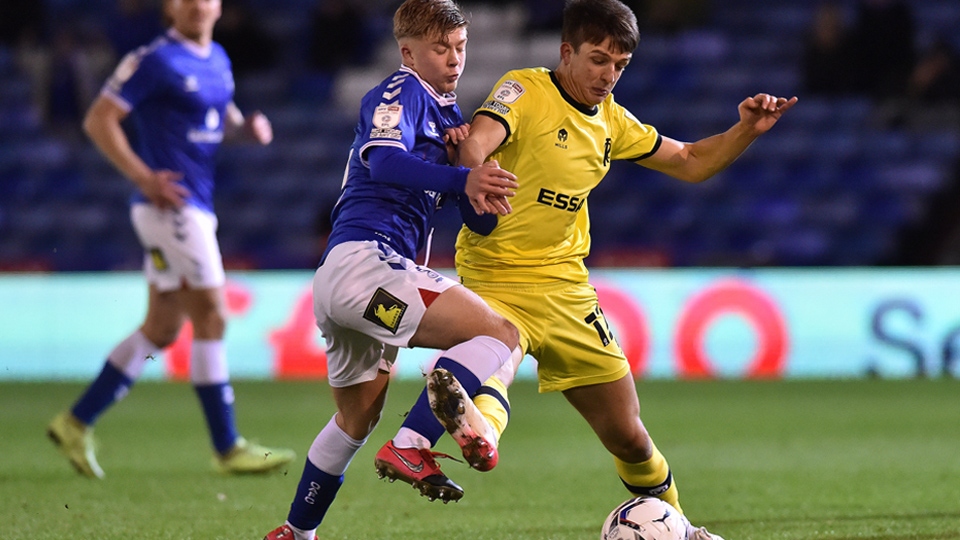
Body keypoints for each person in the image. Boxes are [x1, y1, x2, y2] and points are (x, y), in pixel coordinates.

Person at [409, 1, 797, 539]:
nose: (607, 75)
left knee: (630, 436)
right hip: (497, 279)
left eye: (619, 64)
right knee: (495, 362)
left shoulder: (611, 119)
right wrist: (474, 174)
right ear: (566, 52)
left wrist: (745, 130)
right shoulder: (524, 89)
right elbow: (477, 139)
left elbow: (689, 161)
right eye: (597, 60)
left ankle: (679, 528)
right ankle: (480, 433)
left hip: (567, 290)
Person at [262, 1, 520, 538]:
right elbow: (381, 161)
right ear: (408, 52)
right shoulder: (397, 93)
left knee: (356, 420)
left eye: (460, 47)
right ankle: (412, 444)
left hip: (349, 279)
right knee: (500, 334)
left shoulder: (450, 121)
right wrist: (458, 178)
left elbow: (481, 222)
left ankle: (297, 532)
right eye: (439, 48)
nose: (454, 59)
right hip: (368, 264)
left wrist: (476, 177)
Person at [46, 0, 296, 479]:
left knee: (162, 327)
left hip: (194, 207)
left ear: (219, 6)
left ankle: (76, 422)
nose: (196, 5)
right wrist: (143, 177)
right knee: (212, 313)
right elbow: (99, 119)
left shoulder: (218, 58)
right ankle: (227, 447)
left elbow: (219, 121)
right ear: (169, 7)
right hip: (172, 207)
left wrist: (247, 131)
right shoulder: (154, 59)